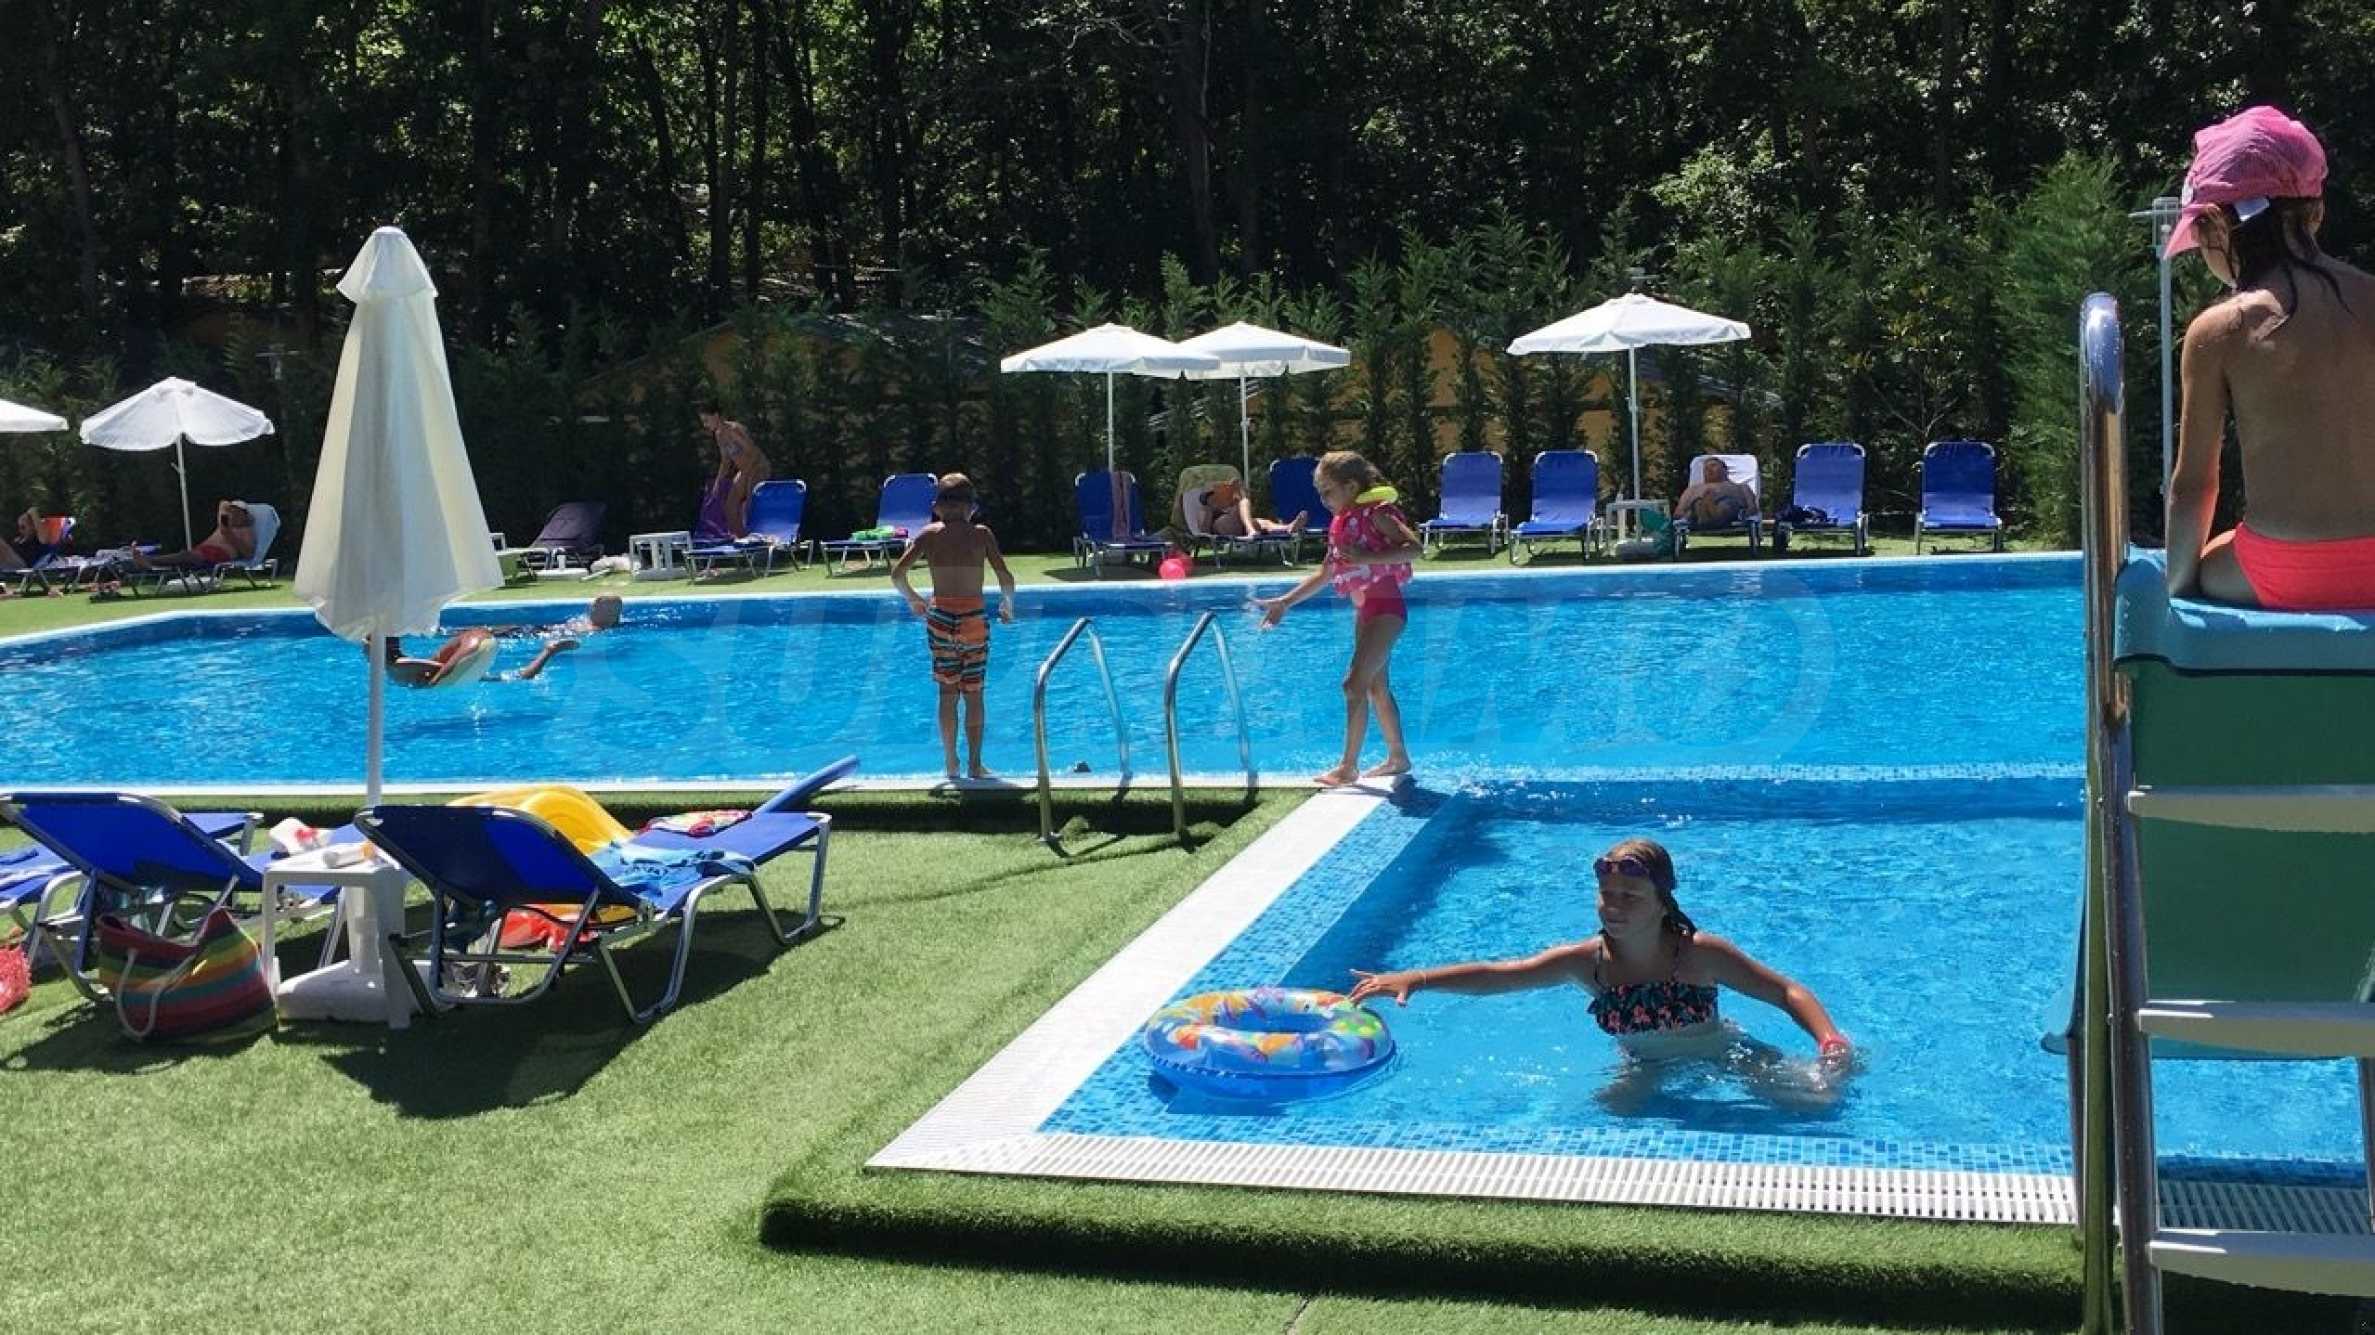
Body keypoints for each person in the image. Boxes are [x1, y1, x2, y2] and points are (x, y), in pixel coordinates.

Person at [1349, 837, 1851, 1106]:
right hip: (1645, 1063)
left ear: (1662, 902)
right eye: (1607, 895)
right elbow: (1500, 976)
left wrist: (1830, 1041)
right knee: (1611, 1114)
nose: (1614, 907)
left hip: (1719, 1050)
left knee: (1817, 1103)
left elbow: (1786, 991)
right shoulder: (1585, 962)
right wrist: (1418, 979)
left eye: (1631, 896)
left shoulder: (1699, 953)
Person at [2162, 106, 2375, 610]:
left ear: (2214, 225)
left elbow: (2195, 486)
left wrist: (2179, 593)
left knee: (2216, 554)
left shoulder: (2219, 331)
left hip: (2281, 573)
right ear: (2316, 211)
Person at [1253, 450, 1418, 787]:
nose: (1323, 499)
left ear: (1351, 486)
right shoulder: (1342, 523)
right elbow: (1326, 573)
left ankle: (1348, 767)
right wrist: (1285, 602)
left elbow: (1414, 548)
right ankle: (1398, 757)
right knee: (1375, 687)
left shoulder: (1377, 513)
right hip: (1366, 612)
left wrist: (1368, 557)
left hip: (1386, 609)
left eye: (1328, 491)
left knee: (1353, 684)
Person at [890, 474, 1018, 780]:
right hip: (973, 618)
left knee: (947, 694)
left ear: (936, 507)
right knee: (974, 694)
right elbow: (1005, 576)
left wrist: (913, 599)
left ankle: (951, 762)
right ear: (971, 508)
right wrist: (1007, 605)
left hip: (940, 619)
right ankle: (975, 764)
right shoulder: (981, 534)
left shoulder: (928, 535)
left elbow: (897, 575)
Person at [698, 402, 771, 538]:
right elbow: (726, 461)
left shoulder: (734, 430)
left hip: (758, 467)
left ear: (716, 416)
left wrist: (749, 478)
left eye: (707, 420)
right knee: (730, 506)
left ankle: (756, 538)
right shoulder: (719, 435)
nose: (705, 425)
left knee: (750, 504)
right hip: (745, 470)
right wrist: (718, 482)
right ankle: (741, 538)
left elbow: (753, 453)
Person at [133, 500, 255, 569]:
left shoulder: (245, 530)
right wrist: (225, 511)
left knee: (185, 556)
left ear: (244, 515)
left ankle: (149, 561)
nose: (233, 515)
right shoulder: (225, 526)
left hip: (217, 555)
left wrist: (232, 538)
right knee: (185, 557)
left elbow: (249, 553)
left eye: (237, 512)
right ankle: (149, 562)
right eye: (231, 512)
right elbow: (223, 505)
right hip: (203, 552)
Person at [1195, 478, 1308, 540]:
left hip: (1240, 525)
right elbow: (1204, 531)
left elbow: (1246, 508)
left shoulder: (1231, 502)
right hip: (1221, 526)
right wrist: (1210, 508)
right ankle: (1251, 530)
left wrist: (1238, 490)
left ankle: (1288, 528)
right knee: (1244, 501)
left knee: (1263, 522)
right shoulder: (1204, 508)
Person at [1674, 458, 1756, 529]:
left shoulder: (1742, 487)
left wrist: (1744, 516)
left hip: (1730, 515)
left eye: (1713, 465)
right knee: (1698, 504)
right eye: (1706, 468)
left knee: (1725, 504)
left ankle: (1709, 513)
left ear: (1725, 469)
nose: (1709, 469)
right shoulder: (1692, 490)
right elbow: (1678, 512)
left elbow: (1753, 508)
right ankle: (1707, 512)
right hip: (1698, 514)